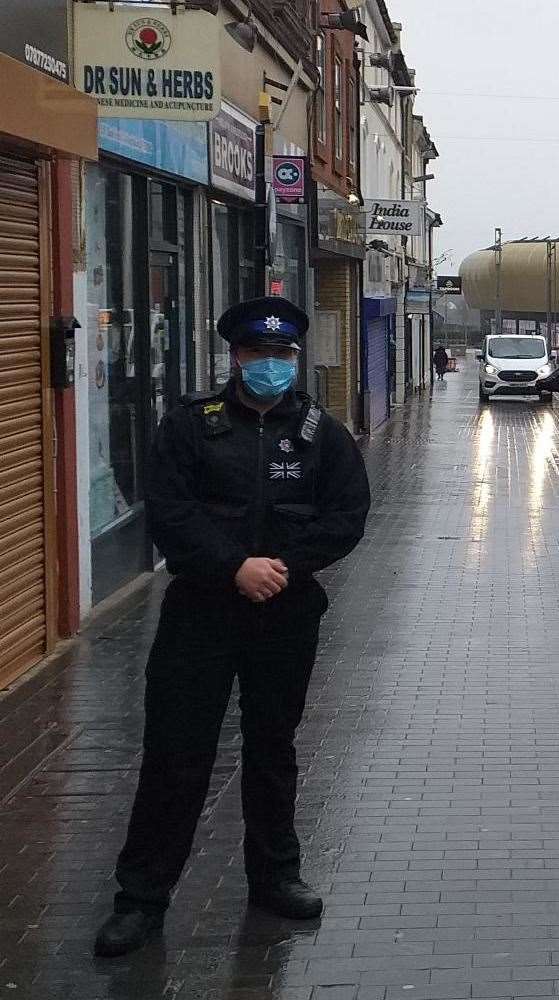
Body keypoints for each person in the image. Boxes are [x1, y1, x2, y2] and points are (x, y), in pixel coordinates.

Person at [93, 296, 372, 957]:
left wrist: (281, 568)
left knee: (273, 751)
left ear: (294, 360)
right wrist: (233, 569)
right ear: (235, 357)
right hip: (200, 615)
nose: (269, 365)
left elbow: (347, 514)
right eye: (257, 353)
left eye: (281, 355)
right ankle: (140, 899)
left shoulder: (320, 434)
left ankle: (276, 876)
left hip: (285, 614)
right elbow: (169, 513)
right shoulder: (191, 428)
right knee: (175, 756)